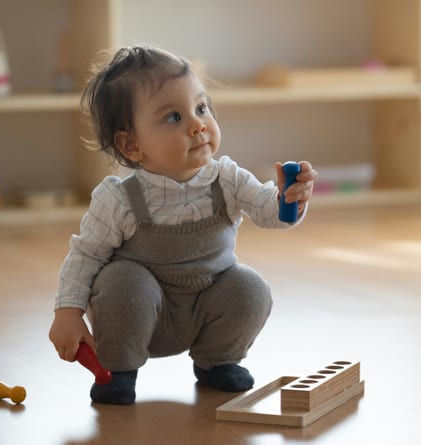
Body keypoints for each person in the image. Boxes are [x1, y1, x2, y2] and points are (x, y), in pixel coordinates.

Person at [49, 45, 317, 405]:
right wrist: (68, 312)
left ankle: (217, 361)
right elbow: (85, 256)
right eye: (174, 118)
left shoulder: (228, 179)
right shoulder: (119, 199)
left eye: (202, 108)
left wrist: (289, 200)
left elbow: (269, 212)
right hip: (143, 315)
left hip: (207, 307)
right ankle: (120, 371)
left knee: (250, 287)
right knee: (120, 279)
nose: (198, 124)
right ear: (131, 145)